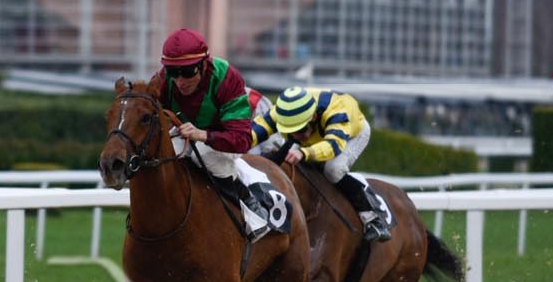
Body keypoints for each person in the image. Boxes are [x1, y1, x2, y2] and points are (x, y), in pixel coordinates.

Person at [154, 28, 270, 231]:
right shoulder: (163, 79)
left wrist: (203, 135)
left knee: (205, 156)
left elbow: (242, 140)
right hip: (184, 133)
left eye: (188, 72)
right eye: (173, 72)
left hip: (222, 139)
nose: (180, 81)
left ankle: (249, 207)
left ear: (204, 64)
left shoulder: (227, 78)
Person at [253, 85, 391, 243]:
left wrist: (305, 153)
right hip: (317, 132)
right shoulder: (281, 112)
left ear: (312, 117)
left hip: (350, 133)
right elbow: (255, 130)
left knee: (333, 169)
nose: (296, 135)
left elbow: (333, 146)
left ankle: (372, 219)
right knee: (281, 157)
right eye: (291, 131)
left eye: (300, 129)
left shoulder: (337, 112)